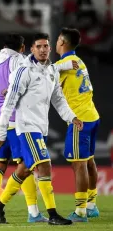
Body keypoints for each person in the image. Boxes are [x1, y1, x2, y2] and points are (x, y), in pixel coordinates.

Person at [0, 33, 82, 225]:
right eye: (38, 46)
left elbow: (58, 100)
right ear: (31, 49)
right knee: (44, 165)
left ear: (49, 48)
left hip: (41, 127)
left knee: (24, 170)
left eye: (46, 46)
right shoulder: (23, 71)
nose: (42, 49)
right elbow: (9, 103)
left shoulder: (51, 71)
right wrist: (2, 131)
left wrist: (71, 117)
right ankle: (53, 214)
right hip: (27, 127)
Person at [0, 34, 48, 223]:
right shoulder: (21, 62)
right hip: (17, 122)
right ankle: (33, 212)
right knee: (24, 165)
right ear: (23, 47)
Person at [55, 28, 100, 221]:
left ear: (63, 42)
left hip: (79, 120)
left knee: (78, 164)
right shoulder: (78, 61)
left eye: (57, 39)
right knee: (89, 161)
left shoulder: (63, 64)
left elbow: (43, 76)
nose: (55, 43)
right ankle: (91, 204)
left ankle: (80, 211)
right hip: (92, 115)